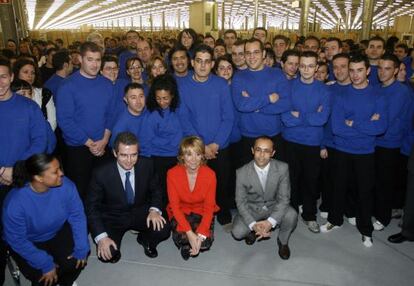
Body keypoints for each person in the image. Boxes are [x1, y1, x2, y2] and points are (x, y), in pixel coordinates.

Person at [321, 54, 388, 247]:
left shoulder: (378, 95)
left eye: (360, 70)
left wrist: (353, 124)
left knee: (364, 192)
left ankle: (365, 230)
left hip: (365, 152)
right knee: (338, 187)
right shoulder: (341, 95)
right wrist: (366, 124)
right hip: (342, 149)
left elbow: (381, 126)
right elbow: (337, 128)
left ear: (368, 71)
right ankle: (334, 220)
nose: (355, 74)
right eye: (352, 70)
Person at [3, 154, 89, 286]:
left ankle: (67, 282)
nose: (61, 173)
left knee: (75, 261)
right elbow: (17, 240)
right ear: (39, 178)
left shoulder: (67, 186)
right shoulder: (15, 203)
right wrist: (45, 263)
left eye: (59, 168)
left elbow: (77, 216)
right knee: (43, 278)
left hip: (57, 230)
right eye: (55, 172)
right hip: (29, 240)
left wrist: (82, 246)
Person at [0, 57, 48, 285]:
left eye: (2, 76)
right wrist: (2, 170)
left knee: (25, 230)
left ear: (11, 77)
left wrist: (15, 169)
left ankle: (32, 268)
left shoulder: (28, 107)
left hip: (22, 179)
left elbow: (39, 142)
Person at [87, 132, 170, 262]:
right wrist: (102, 237)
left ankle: (144, 239)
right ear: (115, 153)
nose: (129, 160)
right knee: (108, 254)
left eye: (134, 155)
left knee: (163, 230)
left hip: (141, 212)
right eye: (124, 155)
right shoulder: (101, 173)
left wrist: (154, 210)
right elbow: (91, 208)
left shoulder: (147, 165)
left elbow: (157, 190)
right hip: (113, 217)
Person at [178, 44, 234, 227]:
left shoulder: (221, 85)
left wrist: (215, 144)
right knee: (197, 184)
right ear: (192, 63)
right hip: (196, 148)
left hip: (219, 147)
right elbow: (184, 118)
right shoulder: (183, 86)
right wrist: (202, 147)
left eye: (207, 62)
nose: (203, 66)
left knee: (221, 183)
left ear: (212, 64)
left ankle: (223, 213)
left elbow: (228, 117)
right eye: (199, 61)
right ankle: (201, 216)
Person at [56, 41, 115, 200]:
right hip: (79, 148)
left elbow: (111, 114)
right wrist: (90, 143)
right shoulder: (67, 86)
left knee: (104, 190)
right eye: (90, 59)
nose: (95, 64)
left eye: (97, 60)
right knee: (81, 192)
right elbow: (65, 121)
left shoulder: (107, 84)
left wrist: (105, 139)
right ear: (80, 59)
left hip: (103, 145)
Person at [281, 51, 330, 233]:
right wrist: (310, 115)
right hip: (290, 141)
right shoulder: (288, 86)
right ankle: (291, 214)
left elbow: (322, 118)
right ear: (298, 67)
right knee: (290, 181)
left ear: (317, 68)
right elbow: (286, 117)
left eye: (310, 66)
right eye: (302, 66)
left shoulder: (324, 90)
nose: (306, 70)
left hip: (312, 143)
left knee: (311, 182)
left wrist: (298, 115)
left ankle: (309, 215)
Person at [231, 136, 297, 260]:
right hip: (252, 209)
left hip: (274, 207)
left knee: (291, 215)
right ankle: (254, 231)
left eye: (266, 151)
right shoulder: (241, 172)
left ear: (273, 153)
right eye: (258, 150)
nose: (262, 155)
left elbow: (284, 199)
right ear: (252, 150)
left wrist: (270, 222)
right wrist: (252, 224)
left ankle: (283, 241)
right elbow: (240, 202)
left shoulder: (282, 168)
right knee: (237, 232)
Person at [232, 38, 291, 166]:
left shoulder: (277, 74)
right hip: (247, 136)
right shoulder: (238, 76)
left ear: (264, 54)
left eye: (256, 52)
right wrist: (268, 99)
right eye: (248, 53)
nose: (252, 57)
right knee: (247, 181)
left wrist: (257, 106)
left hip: (273, 135)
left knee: (273, 181)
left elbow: (286, 103)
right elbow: (241, 105)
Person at [374, 53, 412, 231]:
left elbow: (385, 120)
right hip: (375, 142)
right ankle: (375, 210)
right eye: (380, 68)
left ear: (396, 70)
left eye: (387, 68)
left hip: (390, 144)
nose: (382, 72)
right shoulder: (377, 88)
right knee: (375, 180)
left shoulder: (401, 91)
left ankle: (383, 217)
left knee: (385, 183)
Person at [167, 136, 219, 260]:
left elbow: (209, 207)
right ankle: (186, 245)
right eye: (189, 154)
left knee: (205, 242)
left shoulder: (210, 175)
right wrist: (190, 234)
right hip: (181, 211)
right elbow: (175, 207)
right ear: (182, 156)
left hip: (202, 211)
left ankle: (192, 244)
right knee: (183, 237)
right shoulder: (172, 174)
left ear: (202, 156)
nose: (194, 159)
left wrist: (200, 235)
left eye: (198, 154)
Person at [146, 74, 183, 207]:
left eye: (165, 98)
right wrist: (167, 143)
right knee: (160, 190)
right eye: (158, 98)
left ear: (172, 96)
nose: (162, 102)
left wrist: (167, 142)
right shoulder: (152, 115)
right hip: (158, 158)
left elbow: (180, 135)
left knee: (175, 189)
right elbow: (149, 139)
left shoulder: (177, 112)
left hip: (176, 157)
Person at [14, 58, 57, 131]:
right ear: (16, 74)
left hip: (44, 137)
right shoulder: (10, 93)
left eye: (32, 73)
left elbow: (52, 122)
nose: (30, 75)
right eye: (25, 72)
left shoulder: (45, 93)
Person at [110, 83, 152, 157]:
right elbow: (115, 149)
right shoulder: (121, 126)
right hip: (136, 158)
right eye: (133, 97)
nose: (138, 101)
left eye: (141, 96)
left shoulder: (150, 112)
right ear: (126, 100)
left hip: (154, 153)